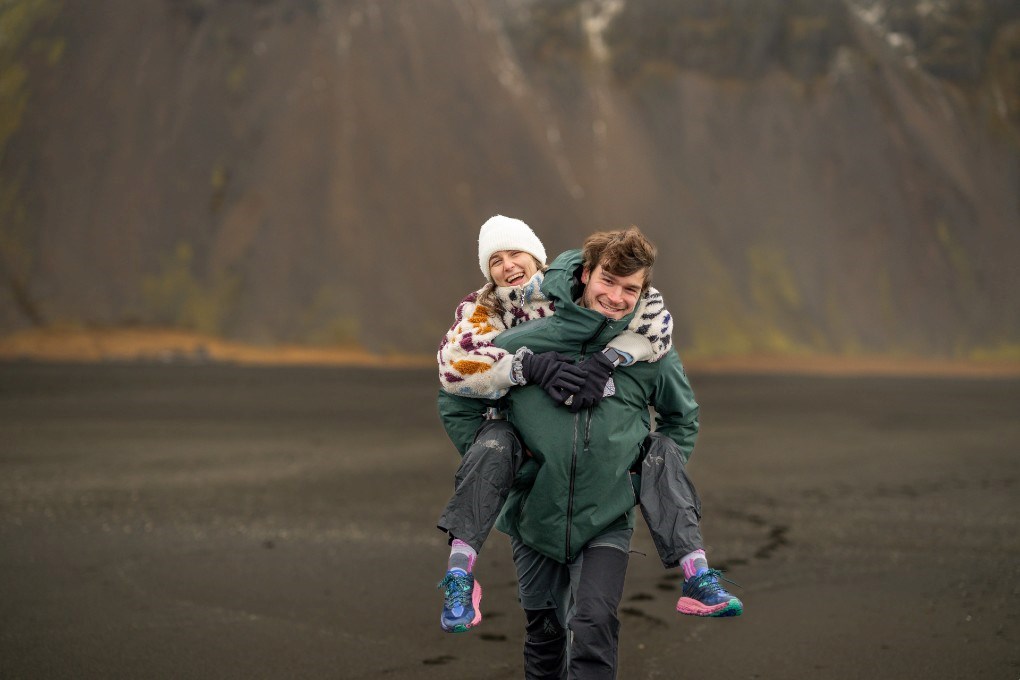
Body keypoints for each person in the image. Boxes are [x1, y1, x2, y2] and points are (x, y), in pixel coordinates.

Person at [435, 219, 741, 654]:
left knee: (595, 627)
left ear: (539, 258)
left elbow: (679, 413)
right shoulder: (502, 327)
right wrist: (513, 463)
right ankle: (461, 572)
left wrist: (633, 479)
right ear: (584, 275)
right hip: (536, 513)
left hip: (604, 516)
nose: (507, 267)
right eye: (495, 261)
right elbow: (454, 383)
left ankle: (696, 575)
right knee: (544, 636)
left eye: (515, 254)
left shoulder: (643, 333)